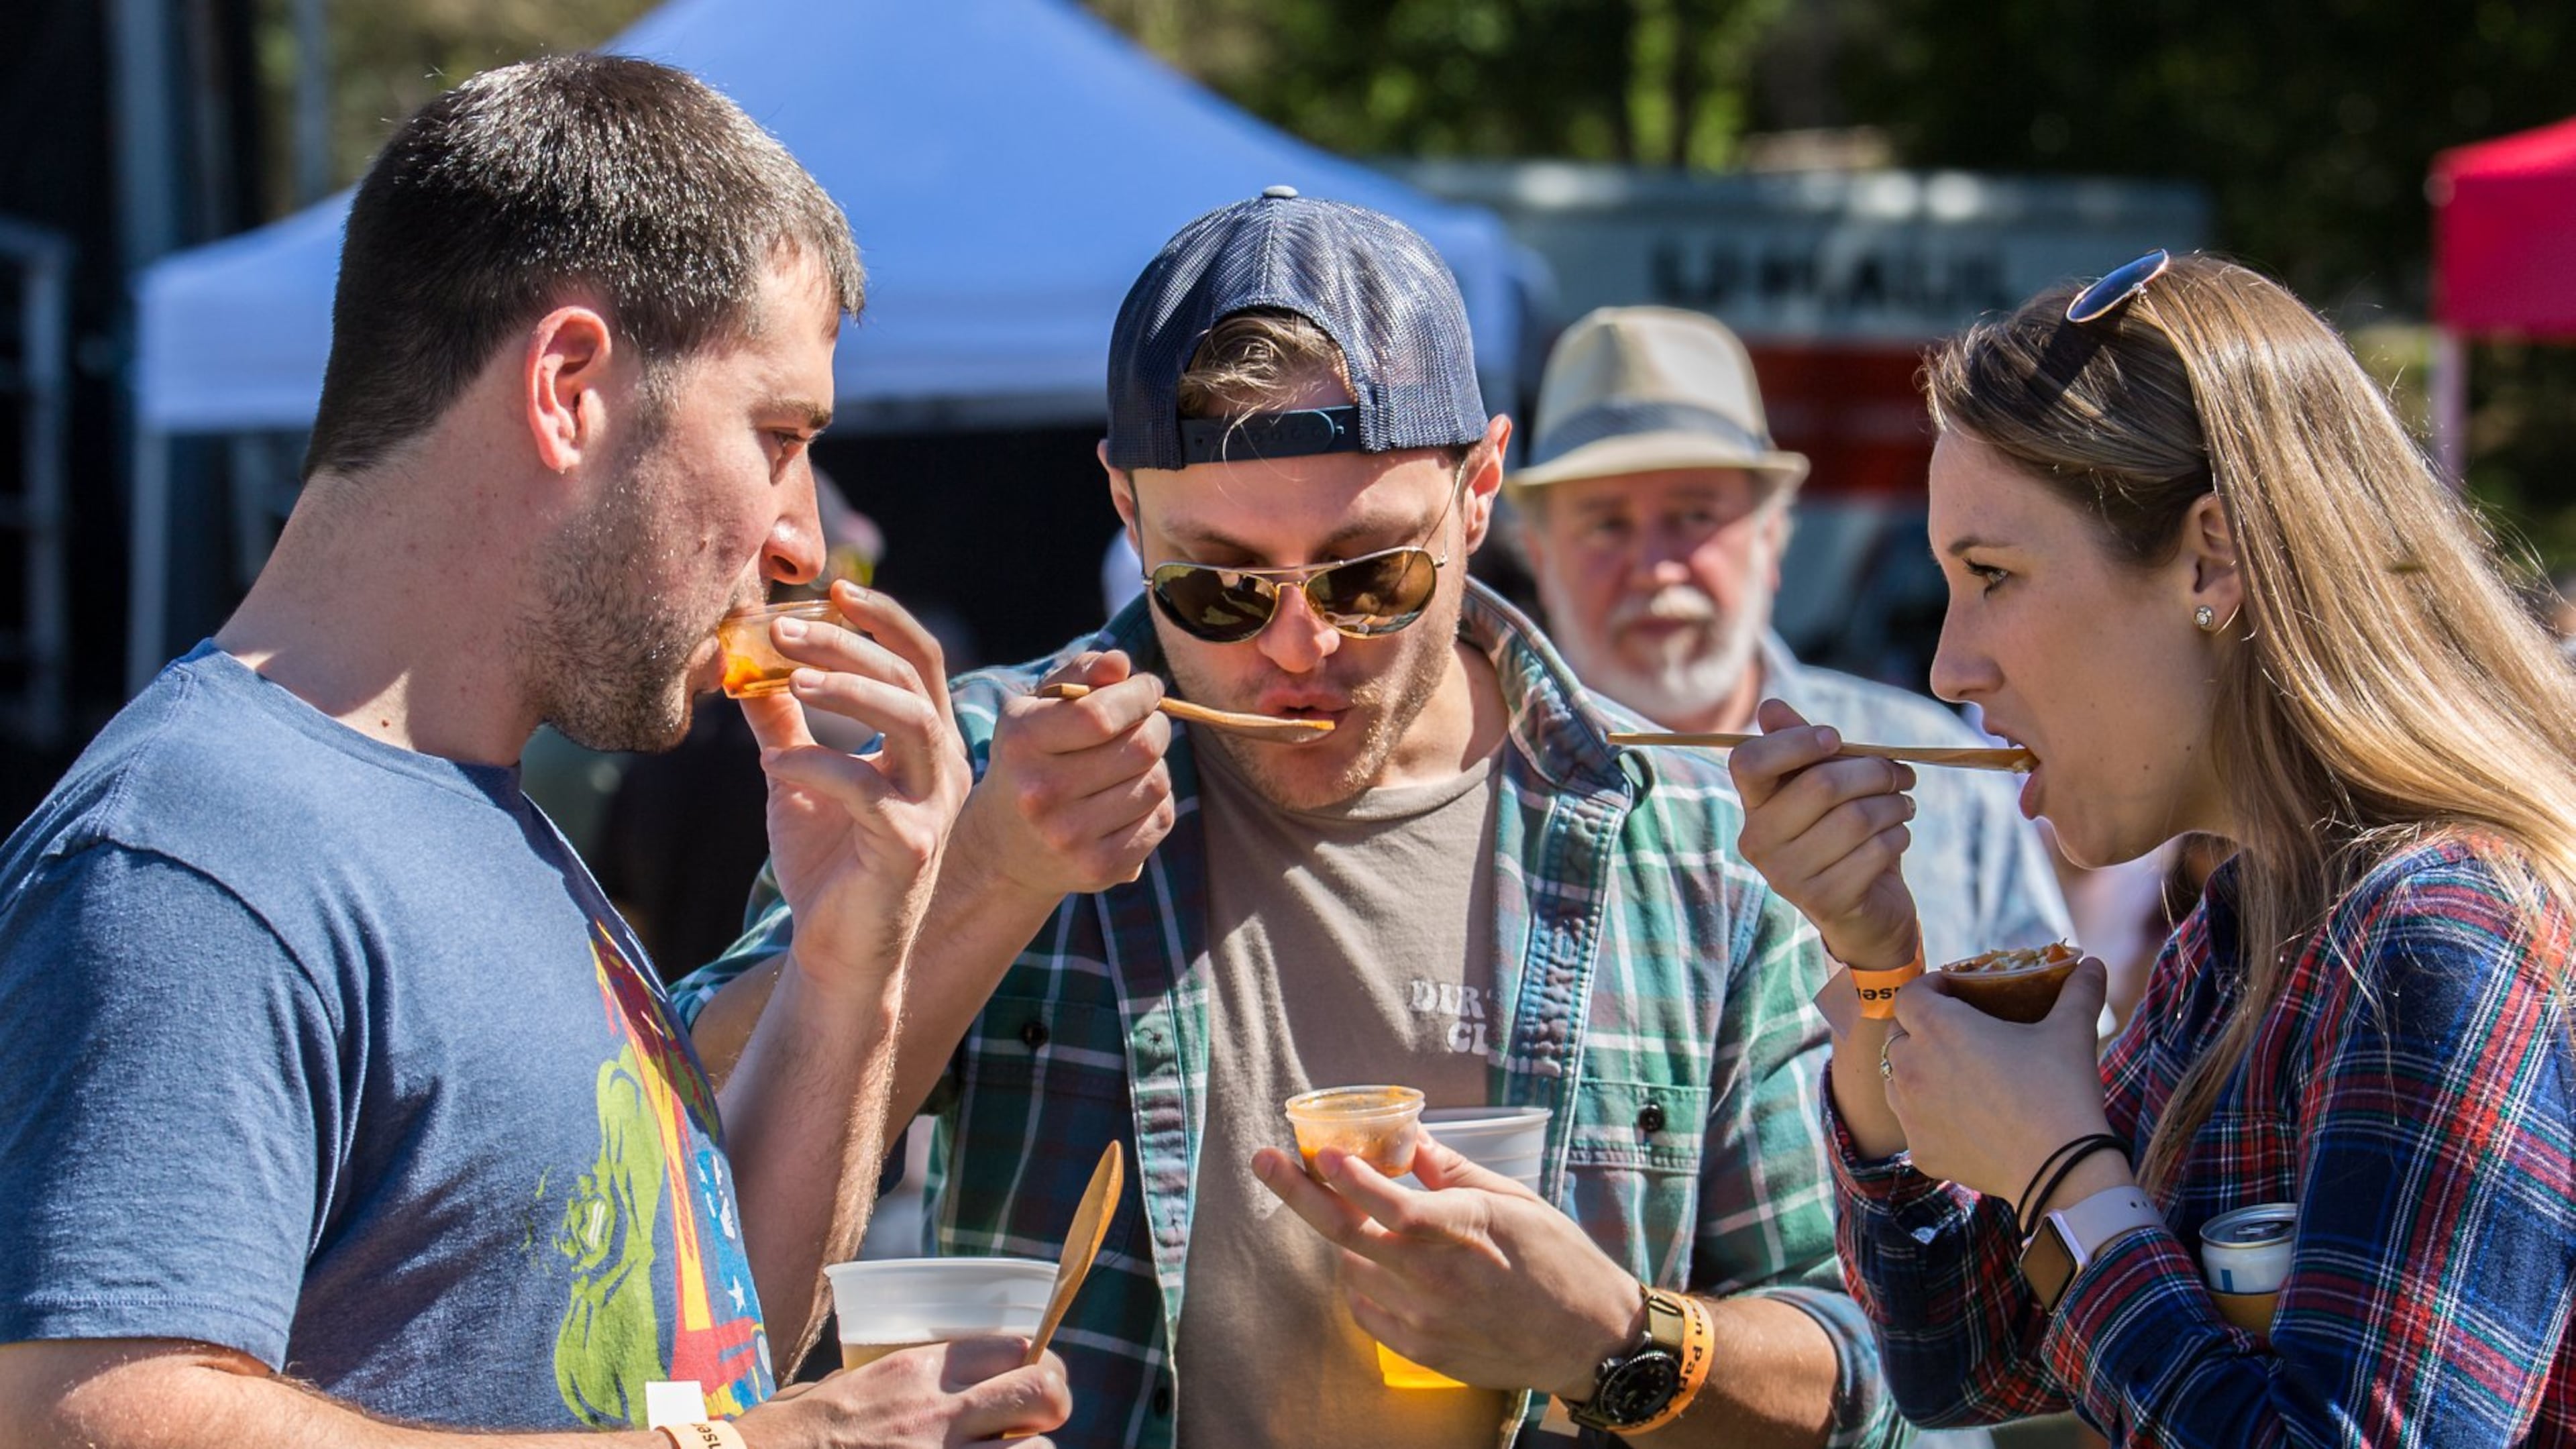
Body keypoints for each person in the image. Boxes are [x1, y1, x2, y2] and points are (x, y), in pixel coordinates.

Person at [680, 192, 1910, 1448]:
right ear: (1125, 511)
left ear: (1479, 490)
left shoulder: (1693, 841)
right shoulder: (987, 764)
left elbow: (1874, 1377)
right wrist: (992, 874)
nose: (1300, 644)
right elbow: (685, 1200)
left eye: (1371, 573)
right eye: (1218, 587)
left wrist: (1609, 1338)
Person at [0, 55, 1069, 1449]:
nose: (805, 540)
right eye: (779, 435)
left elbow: (704, 1327)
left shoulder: (480, 810)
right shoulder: (201, 848)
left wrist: (849, 959)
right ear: (568, 384)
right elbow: (87, 1417)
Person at [1729, 252, 2576, 1444]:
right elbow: (1961, 1356)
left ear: (2212, 557)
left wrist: (2060, 1164)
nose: (1948, 669)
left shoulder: (2443, 931)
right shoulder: (2251, 924)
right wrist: (1877, 964)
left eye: (1993, 577)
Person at [1510, 305, 2069, 973]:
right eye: (1606, 524)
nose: (1655, 566)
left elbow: (2055, 1033)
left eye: (1695, 515)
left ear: (1772, 538)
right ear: (1539, 557)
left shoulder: (1937, 774)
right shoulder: (1485, 789)